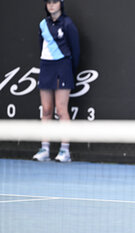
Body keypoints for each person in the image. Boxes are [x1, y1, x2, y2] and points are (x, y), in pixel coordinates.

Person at [33, 0, 80, 162]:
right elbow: (41, 46)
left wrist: (68, 70)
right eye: (48, 2)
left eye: (54, 2)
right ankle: (44, 149)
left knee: (61, 110)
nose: (51, 5)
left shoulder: (68, 24)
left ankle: (64, 151)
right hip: (46, 66)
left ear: (61, 4)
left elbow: (75, 49)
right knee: (46, 110)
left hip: (63, 67)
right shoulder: (42, 24)